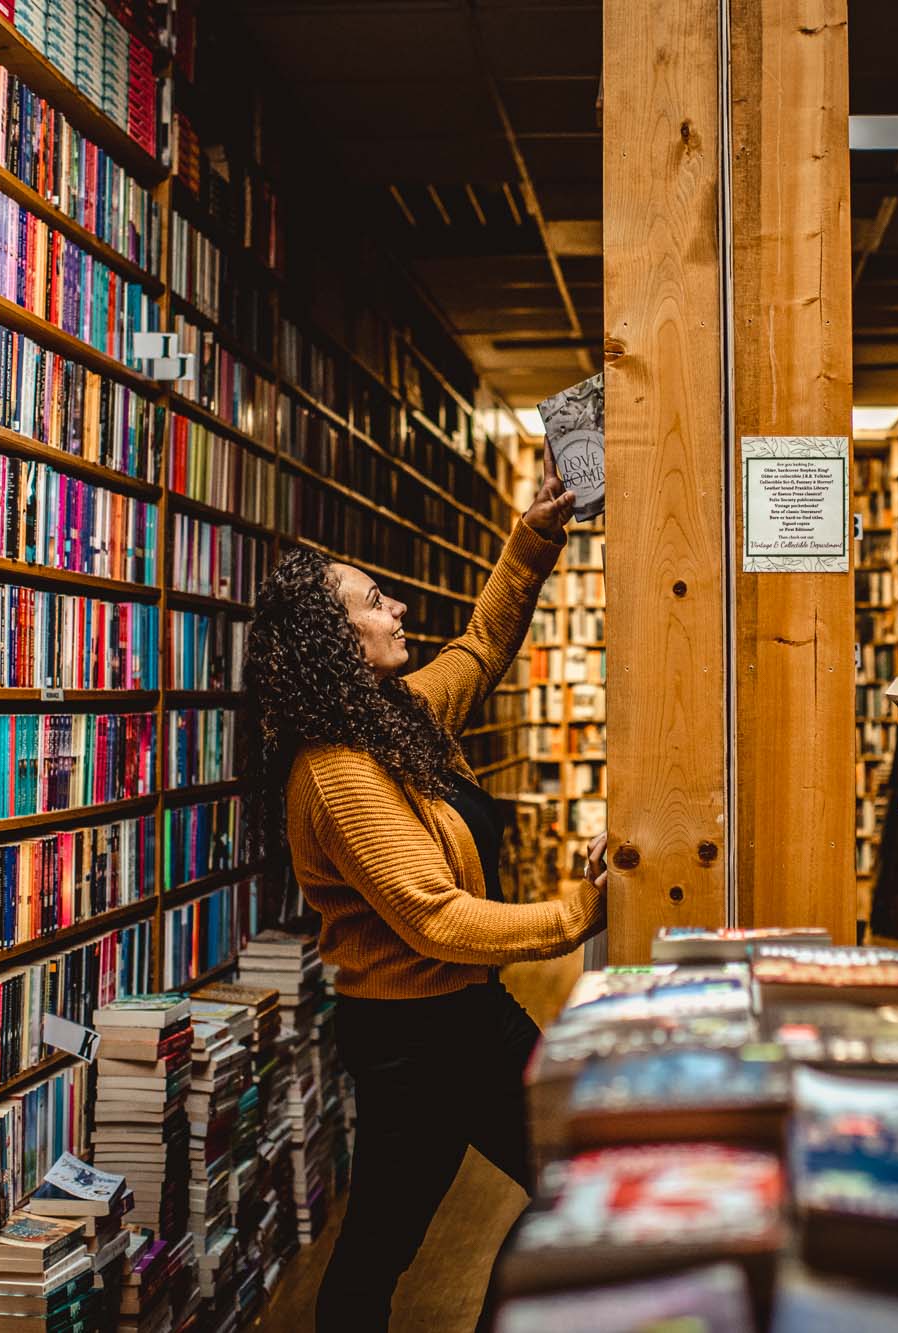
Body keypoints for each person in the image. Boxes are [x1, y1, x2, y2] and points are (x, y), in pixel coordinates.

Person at [242, 440, 608, 1332]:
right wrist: (575, 912)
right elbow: (435, 918)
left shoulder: (396, 717)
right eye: (376, 601)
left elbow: (481, 644)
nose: (397, 606)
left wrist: (532, 537)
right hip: (412, 1038)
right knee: (383, 1249)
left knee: (570, 1180)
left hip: (464, 1016)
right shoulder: (337, 771)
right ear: (335, 639)